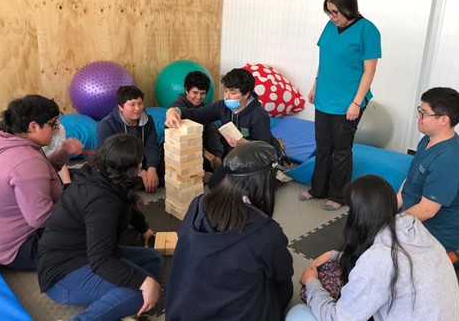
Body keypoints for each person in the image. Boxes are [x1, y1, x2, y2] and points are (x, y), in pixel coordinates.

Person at [287, 175, 459, 321]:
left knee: (300, 316)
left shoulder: (379, 259)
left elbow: (339, 318)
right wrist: (335, 255)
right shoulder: (411, 225)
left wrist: (311, 283)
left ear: (359, 216)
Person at [37, 134, 162, 320]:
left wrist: (143, 228)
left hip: (87, 252)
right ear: (128, 167)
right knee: (141, 291)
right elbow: (101, 259)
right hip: (63, 275)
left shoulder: (104, 173)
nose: (141, 165)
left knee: (153, 259)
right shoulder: (101, 200)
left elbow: (125, 201)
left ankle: (119, 302)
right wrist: (143, 283)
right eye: (139, 162)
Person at [165, 141, 293, 321]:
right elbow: (283, 273)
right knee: (285, 288)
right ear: (265, 183)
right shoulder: (266, 233)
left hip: (182, 312)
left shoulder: (198, 204)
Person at [299, 0, 381, 211]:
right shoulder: (329, 26)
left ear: (349, 8)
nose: (331, 17)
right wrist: (315, 85)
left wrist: (356, 102)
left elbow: (369, 70)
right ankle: (318, 189)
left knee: (341, 150)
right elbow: (325, 59)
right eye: (328, 12)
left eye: (335, 12)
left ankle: (338, 195)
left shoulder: (368, 30)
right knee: (323, 146)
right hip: (325, 95)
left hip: (348, 102)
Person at [0, 94, 82, 271]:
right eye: (53, 125)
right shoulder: (26, 161)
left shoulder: (8, 143)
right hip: (22, 246)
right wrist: (78, 205)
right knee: (96, 226)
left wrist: (63, 152)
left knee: (83, 185)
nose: (57, 129)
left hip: (5, 235)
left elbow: (42, 172)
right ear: (33, 126)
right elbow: (41, 218)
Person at [397, 87, 459, 268]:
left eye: (423, 113)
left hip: (436, 231)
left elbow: (427, 210)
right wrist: (389, 208)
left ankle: (448, 256)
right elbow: (409, 181)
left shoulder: (449, 159)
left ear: (443, 120)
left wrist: (392, 224)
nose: (418, 116)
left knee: (384, 257)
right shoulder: (427, 140)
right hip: (412, 216)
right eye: (419, 110)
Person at [96, 85, 163, 193]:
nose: (137, 108)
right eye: (132, 105)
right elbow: (105, 157)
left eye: (140, 103)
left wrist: (151, 168)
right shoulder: (107, 124)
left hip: (142, 161)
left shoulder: (148, 120)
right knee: (110, 178)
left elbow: (152, 145)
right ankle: (151, 182)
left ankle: (152, 181)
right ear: (120, 107)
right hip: (121, 165)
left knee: (167, 164)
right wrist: (139, 172)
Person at [170, 71, 224, 173]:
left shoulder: (204, 107)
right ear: (187, 90)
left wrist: (218, 155)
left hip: (202, 145)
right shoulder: (178, 106)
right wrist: (205, 153)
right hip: (185, 148)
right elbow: (181, 140)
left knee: (225, 153)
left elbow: (211, 132)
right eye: (195, 93)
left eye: (202, 93)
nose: (199, 97)